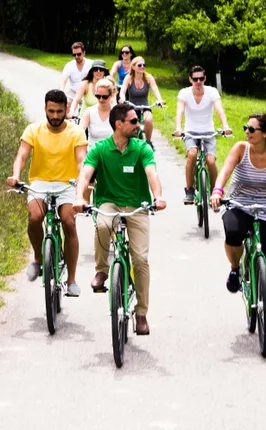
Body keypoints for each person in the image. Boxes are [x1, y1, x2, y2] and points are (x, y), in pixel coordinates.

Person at [74, 103, 168, 335]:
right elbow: (85, 174)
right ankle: (102, 270)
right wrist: (79, 197)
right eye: (133, 121)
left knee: (141, 260)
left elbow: (151, 173)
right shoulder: (101, 149)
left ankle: (142, 313)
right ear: (119, 124)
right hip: (109, 202)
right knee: (103, 225)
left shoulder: (142, 148)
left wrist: (158, 197)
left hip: (137, 206)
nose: (139, 125)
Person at [208, 114, 266, 327]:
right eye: (246, 128)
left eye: (252, 129)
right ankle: (235, 269)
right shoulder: (241, 149)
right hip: (239, 203)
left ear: (265, 133)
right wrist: (217, 191)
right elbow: (225, 171)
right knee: (233, 235)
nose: (247, 133)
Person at [8, 89, 89, 297]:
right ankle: (37, 258)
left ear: (66, 110)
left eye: (59, 111)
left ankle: (71, 280)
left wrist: (81, 184)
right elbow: (21, 156)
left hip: (67, 184)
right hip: (40, 183)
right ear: (45, 108)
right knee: (35, 217)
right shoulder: (33, 130)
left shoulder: (76, 132)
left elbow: (82, 161)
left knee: (68, 222)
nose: (55, 116)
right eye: (51, 111)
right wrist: (15, 176)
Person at [174, 65, 233, 204]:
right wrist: (178, 128)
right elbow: (180, 111)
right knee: (192, 154)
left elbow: (219, 109)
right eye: (195, 79)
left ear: (205, 78)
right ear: (190, 79)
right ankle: (189, 190)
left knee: (211, 161)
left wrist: (225, 125)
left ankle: (215, 192)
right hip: (190, 132)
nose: (198, 82)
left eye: (201, 78)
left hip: (208, 132)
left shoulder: (212, 92)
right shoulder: (184, 93)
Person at [118, 56, 165, 147]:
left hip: (145, 106)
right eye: (139, 65)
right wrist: (122, 98)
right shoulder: (129, 78)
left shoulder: (148, 78)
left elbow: (155, 89)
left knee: (148, 120)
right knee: (131, 125)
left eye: (144, 65)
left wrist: (159, 100)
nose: (142, 67)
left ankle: (148, 142)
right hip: (132, 106)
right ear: (133, 67)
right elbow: (122, 91)